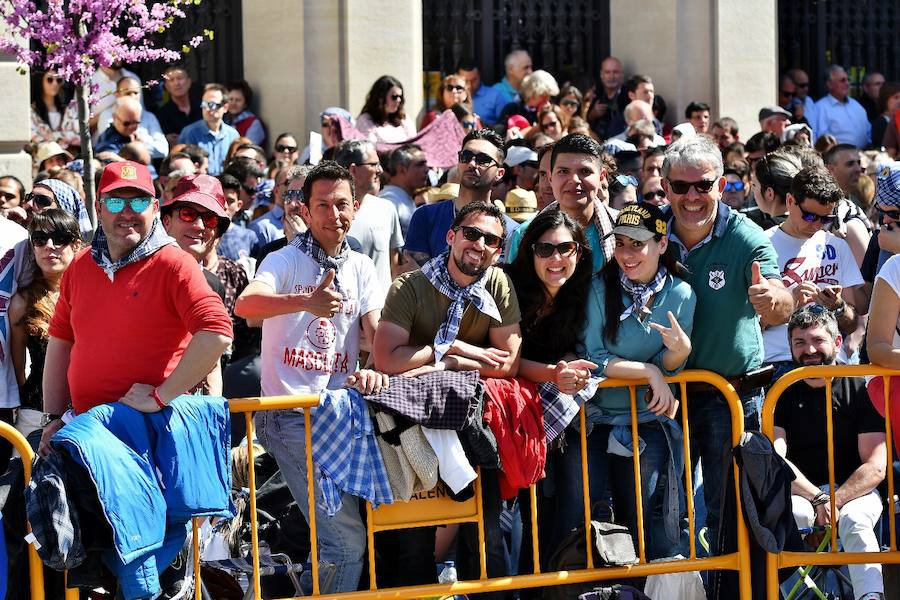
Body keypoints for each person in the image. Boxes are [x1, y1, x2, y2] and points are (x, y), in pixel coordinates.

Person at [235, 161, 387, 594]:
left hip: (341, 417)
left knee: (339, 538)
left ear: (355, 208)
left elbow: (374, 336)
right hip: (288, 417)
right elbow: (247, 306)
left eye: (342, 204)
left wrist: (377, 368)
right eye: (323, 205)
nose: (333, 214)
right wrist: (306, 300)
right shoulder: (284, 258)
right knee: (345, 541)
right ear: (306, 208)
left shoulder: (361, 265)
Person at [38, 160, 233, 456]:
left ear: (154, 208)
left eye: (138, 201)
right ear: (99, 208)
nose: (127, 212)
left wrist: (161, 397)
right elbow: (62, 340)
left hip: (151, 438)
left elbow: (217, 332)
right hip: (89, 432)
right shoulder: (81, 264)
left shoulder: (174, 263)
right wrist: (52, 418)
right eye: (116, 201)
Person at [373, 200, 521, 587]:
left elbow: (507, 363)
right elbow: (387, 358)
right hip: (411, 429)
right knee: (413, 542)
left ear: (499, 250)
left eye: (491, 239)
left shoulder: (498, 284)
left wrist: (449, 362)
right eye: (471, 233)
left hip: (472, 425)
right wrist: (452, 348)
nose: (479, 244)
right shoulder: (410, 286)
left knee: (485, 535)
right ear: (451, 236)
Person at [661, 135, 793, 544]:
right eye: (681, 187)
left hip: (730, 397)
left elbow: (781, 301)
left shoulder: (747, 235)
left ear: (721, 185)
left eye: (703, 185)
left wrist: (774, 299)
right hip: (665, 398)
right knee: (665, 514)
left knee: (729, 518)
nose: (693, 196)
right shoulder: (650, 234)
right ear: (665, 187)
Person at [575, 201, 695, 560]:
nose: (626, 254)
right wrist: (649, 371)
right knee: (587, 523)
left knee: (644, 526)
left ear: (662, 244)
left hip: (648, 422)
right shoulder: (598, 289)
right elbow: (594, 358)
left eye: (637, 244)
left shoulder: (681, 294)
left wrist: (678, 353)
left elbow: (670, 367)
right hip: (593, 421)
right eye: (621, 243)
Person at [503, 208, 596, 572]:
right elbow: (506, 361)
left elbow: (570, 345)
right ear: (530, 252)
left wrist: (571, 364)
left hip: (552, 414)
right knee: (507, 518)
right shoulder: (507, 284)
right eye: (545, 250)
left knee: (556, 510)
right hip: (505, 415)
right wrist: (554, 374)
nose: (556, 258)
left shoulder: (582, 290)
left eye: (565, 248)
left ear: (579, 252)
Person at [775, 305, 887, 600]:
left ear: (837, 343)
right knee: (790, 515)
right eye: (800, 343)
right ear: (790, 348)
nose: (809, 350)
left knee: (854, 519)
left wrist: (834, 500)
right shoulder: (782, 391)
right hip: (803, 494)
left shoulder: (860, 385)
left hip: (855, 493)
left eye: (818, 341)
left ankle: (871, 597)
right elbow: (778, 459)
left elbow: (876, 465)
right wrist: (818, 498)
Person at [761, 166, 864, 378]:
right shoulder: (762, 245)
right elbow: (749, 326)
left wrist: (837, 306)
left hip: (831, 362)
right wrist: (790, 303)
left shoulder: (836, 245)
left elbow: (852, 323)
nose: (817, 225)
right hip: (779, 362)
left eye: (826, 219)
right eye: (809, 216)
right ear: (790, 201)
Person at [8, 209, 81, 439]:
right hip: (35, 418)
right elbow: (18, 371)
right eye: (40, 239)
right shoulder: (21, 302)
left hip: (88, 415)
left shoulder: (95, 294)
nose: (50, 246)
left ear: (76, 245)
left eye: (60, 238)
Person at [506, 133, 618, 274]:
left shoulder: (623, 229)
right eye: (563, 171)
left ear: (601, 176)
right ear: (550, 177)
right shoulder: (525, 235)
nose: (574, 180)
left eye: (585, 171)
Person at [404, 129, 518, 265]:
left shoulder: (510, 231)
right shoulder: (425, 216)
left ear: (499, 173)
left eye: (483, 160)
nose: (471, 163)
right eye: (466, 156)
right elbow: (414, 275)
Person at [333, 139, 406, 289]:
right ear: (353, 169)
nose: (380, 170)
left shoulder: (387, 209)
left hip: (382, 310)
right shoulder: (329, 214)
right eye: (373, 164)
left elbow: (394, 264)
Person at [94, 76, 168, 159]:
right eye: (128, 93)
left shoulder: (149, 117)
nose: (133, 96)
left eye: (136, 93)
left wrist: (142, 144)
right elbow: (108, 153)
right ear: (115, 118)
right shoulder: (107, 116)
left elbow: (163, 150)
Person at [178, 83, 240, 175]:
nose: (207, 109)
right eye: (204, 104)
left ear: (225, 107)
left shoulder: (233, 135)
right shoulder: (189, 132)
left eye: (212, 104)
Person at [814, 65, 871, 149]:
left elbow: (868, 130)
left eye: (848, 80)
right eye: (842, 80)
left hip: (864, 155)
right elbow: (821, 139)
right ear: (830, 84)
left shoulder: (856, 104)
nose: (847, 83)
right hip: (838, 158)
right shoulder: (821, 107)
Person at [379, 144, 429, 237]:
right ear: (402, 169)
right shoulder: (389, 201)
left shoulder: (403, 197)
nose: (426, 169)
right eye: (420, 165)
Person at [357, 75, 416, 144]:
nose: (398, 100)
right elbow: (369, 150)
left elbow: (414, 142)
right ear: (380, 98)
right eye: (394, 97)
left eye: (400, 97)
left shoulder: (404, 118)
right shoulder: (365, 120)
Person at [30, 70, 79, 149]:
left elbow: (78, 135)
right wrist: (62, 138)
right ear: (40, 81)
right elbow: (33, 139)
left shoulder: (69, 109)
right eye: (50, 79)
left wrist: (52, 137)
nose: (55, 83)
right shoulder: (31, 112)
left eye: (59, 80)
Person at [156, 65, 202, 146]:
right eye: (171, 80)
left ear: (189, 82)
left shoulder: (202, 108)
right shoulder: (162, 114)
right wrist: (165, 139)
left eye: (180, 78)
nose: (177, 83)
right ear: (166, 86)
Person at [457, 58, 507, 126]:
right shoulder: (453, 96)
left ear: (479, 76)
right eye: (466, 81)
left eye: (474, 80)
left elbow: (504, 125)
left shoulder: (495, 96)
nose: (470, 85)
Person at [224, 79, 266, 146]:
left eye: (238, 100)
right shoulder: (223, 120)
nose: (233, 103)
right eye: (230, 99)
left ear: (245, 103)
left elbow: (248, 150)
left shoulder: (254, 124)